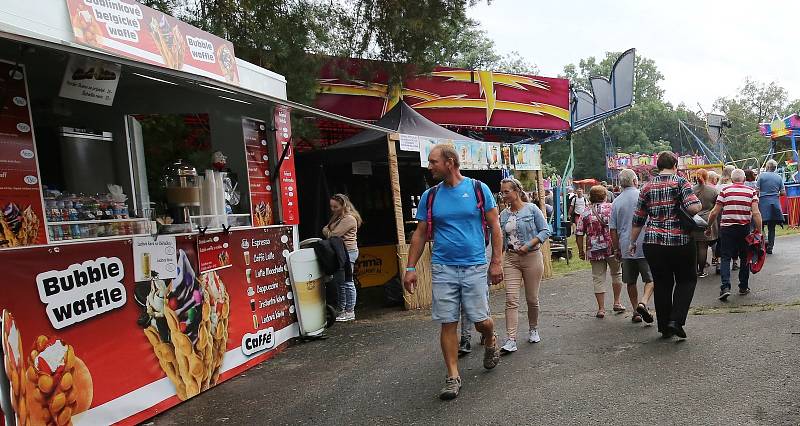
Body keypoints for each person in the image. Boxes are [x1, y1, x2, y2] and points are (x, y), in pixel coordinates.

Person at [403, 144, 503, 400]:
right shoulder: (431, 196)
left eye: (433, 161)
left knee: (481, 321)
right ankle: (452, 376)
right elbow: (421, 233)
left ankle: (490, 338)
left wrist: (496, 262)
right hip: (443, 267)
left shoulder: (478, 189)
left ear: (450, 162)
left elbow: (495, 226)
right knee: (448, 322)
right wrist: (411, 267)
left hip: (474, 265)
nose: (429, 166)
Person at [630, 151, 702, 339]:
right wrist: (696, 206)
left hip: (653, 242)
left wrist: (631, 242)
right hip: (680, 241)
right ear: (675, 165)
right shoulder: (680, 182)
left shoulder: (646, 186)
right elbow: (693, 207)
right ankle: (676, 321)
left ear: (658, 166)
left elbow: (638, 218)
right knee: (686, 280)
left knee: (662, 283)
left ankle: (664, 327)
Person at [498, 177, 551, 353]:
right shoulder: (503, 215)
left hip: (532, 257)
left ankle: (533, 328)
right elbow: (500, 238)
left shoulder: (532, 209)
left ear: (517, 191)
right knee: (511, 299)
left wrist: (529, 244)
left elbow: (545, 231)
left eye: (507, 191)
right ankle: (511, 338)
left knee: (531, 299)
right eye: (502, 192)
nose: (504, 195)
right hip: (511, 258)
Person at [708, 169, 763, 300]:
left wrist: (708, 226)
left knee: (726, 257)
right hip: (744, 228)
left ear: (732, 180)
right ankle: (743, 286)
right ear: (744, 180)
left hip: (727, 229)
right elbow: (755, 213)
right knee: (745, 257)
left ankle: (725, 287)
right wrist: (759, 231)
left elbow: (715, 212)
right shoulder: (751, 192)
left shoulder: (725, 191)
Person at [610, 169, 654, 324]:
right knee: (650, 279)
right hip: (645, 243)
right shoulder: (644, 197)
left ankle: (636, 310)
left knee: (630, 281)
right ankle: (644, 302)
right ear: (635, 181)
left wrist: (616, 249)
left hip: (625, 246)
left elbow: (613, 230)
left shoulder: (616, 202)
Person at [576, 185, 625, 318]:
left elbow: (579, 232)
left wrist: (581, 250)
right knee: (616, 274)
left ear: (590, 197)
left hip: (594, 249)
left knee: (598, 278)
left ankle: (601, 309)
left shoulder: (585, 212)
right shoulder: (611, 208)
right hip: (612, 247)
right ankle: (617, 302)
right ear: (605, 196)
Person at [322, 193, 362, 322]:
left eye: (335, 207)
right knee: (340, 283)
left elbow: (333, 234)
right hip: (340, 252)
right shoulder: (338, 217)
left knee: (347, 282)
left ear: (343, 205)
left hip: (348, 251)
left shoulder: (349, 218)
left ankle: (350, 311)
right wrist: (328, 230)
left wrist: (327, 230)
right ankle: (342, 310)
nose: (333, 209)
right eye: (331, 206)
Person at [692, 169, 719, 278]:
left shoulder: (691, 190)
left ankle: (694, 270)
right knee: (703, 247)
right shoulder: (712, 191)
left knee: (696, 247)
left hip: (694, 219)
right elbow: (717, 207)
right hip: (708, 220)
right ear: (707, 177)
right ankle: (701, 271)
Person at [757, 159, 785, 254]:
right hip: (775, 204)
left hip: (763, 203)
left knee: (761, 225)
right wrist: (775, 194)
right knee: (772, 227)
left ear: (767, 167)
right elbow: (783, 192)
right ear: (775, 168)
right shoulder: (779, 177)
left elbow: (756, 191)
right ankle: (770, 247)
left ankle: (764, 241)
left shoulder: (761, 176)